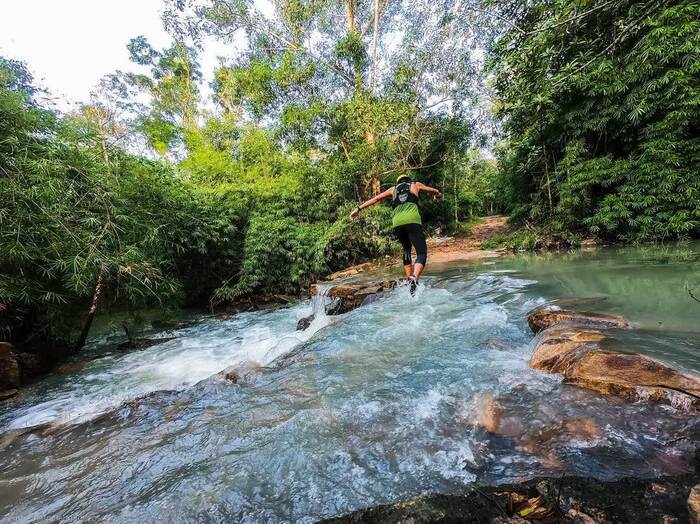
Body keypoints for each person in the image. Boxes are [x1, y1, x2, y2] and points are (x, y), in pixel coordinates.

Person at [350, 174, 442, 290]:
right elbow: (434, 191)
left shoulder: (392, 189)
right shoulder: (415, 185)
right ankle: (414, 277)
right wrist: (437, 195)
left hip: (397, 223)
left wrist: (357, 209)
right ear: (409, 180)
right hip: (412, 220)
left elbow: (375, 199)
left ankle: (409, 281)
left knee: (406, 249)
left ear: (398, 182)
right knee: (421, 253)